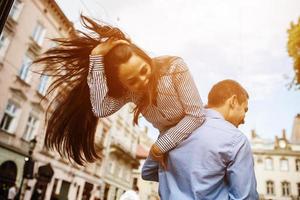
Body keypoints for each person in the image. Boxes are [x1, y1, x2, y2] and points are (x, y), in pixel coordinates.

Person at [33, 15, 205, 166]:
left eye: (144, 70)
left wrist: (161, 145)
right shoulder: (130, 93)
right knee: (148, 171)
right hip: (174, 143)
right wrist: (96, 57)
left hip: (201, 131)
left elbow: (196, 114)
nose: (143, 81)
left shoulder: (174, 67)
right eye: (132, 81)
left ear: (144, 57)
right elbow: (100, 109)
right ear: (123, 85)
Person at [142, 80, 259, 200]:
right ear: (233, 101)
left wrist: (176, 179)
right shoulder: (236, 140)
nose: (244, 120)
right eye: (245, 110)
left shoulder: (174, 127)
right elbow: (245, 197)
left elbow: (147, 172)